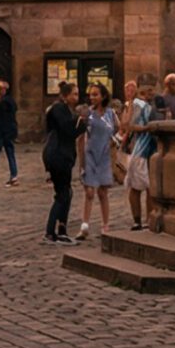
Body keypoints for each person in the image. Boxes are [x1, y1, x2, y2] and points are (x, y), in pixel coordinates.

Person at [41, 82, 82, 245]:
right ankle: (51, 232)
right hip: (58, 156)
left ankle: (61, 230)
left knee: (66, 193)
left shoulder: (63, 110)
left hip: (61, 155)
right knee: (63, 194)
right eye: (74, 94)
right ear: (65, 96)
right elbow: (68, 131)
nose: (76, 98)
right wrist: (81, 124)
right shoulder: (59, 109)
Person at [77, 83, 119, 239]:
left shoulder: (110, 113)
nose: (92, 97)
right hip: (90, 154)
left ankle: (105, 225)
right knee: (89, 191)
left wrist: (115, 142)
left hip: (105, 155)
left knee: (103, 192)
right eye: (91, 94)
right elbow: (80, 136)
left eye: (95, 94)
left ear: (103, 96)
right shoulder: (88, 114)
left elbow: (118, 130)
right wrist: (81, 160)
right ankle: (85, 225)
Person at [120, 78, 156, 231]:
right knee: (137, 186)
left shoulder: (148, 105)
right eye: (150, 91)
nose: (152, 94)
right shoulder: (137, 104)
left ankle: (147, 219)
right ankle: (138, 220)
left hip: (150, 149)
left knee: (149, 187)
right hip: (140, 150)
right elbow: (129, 125)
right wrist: (149, 128)